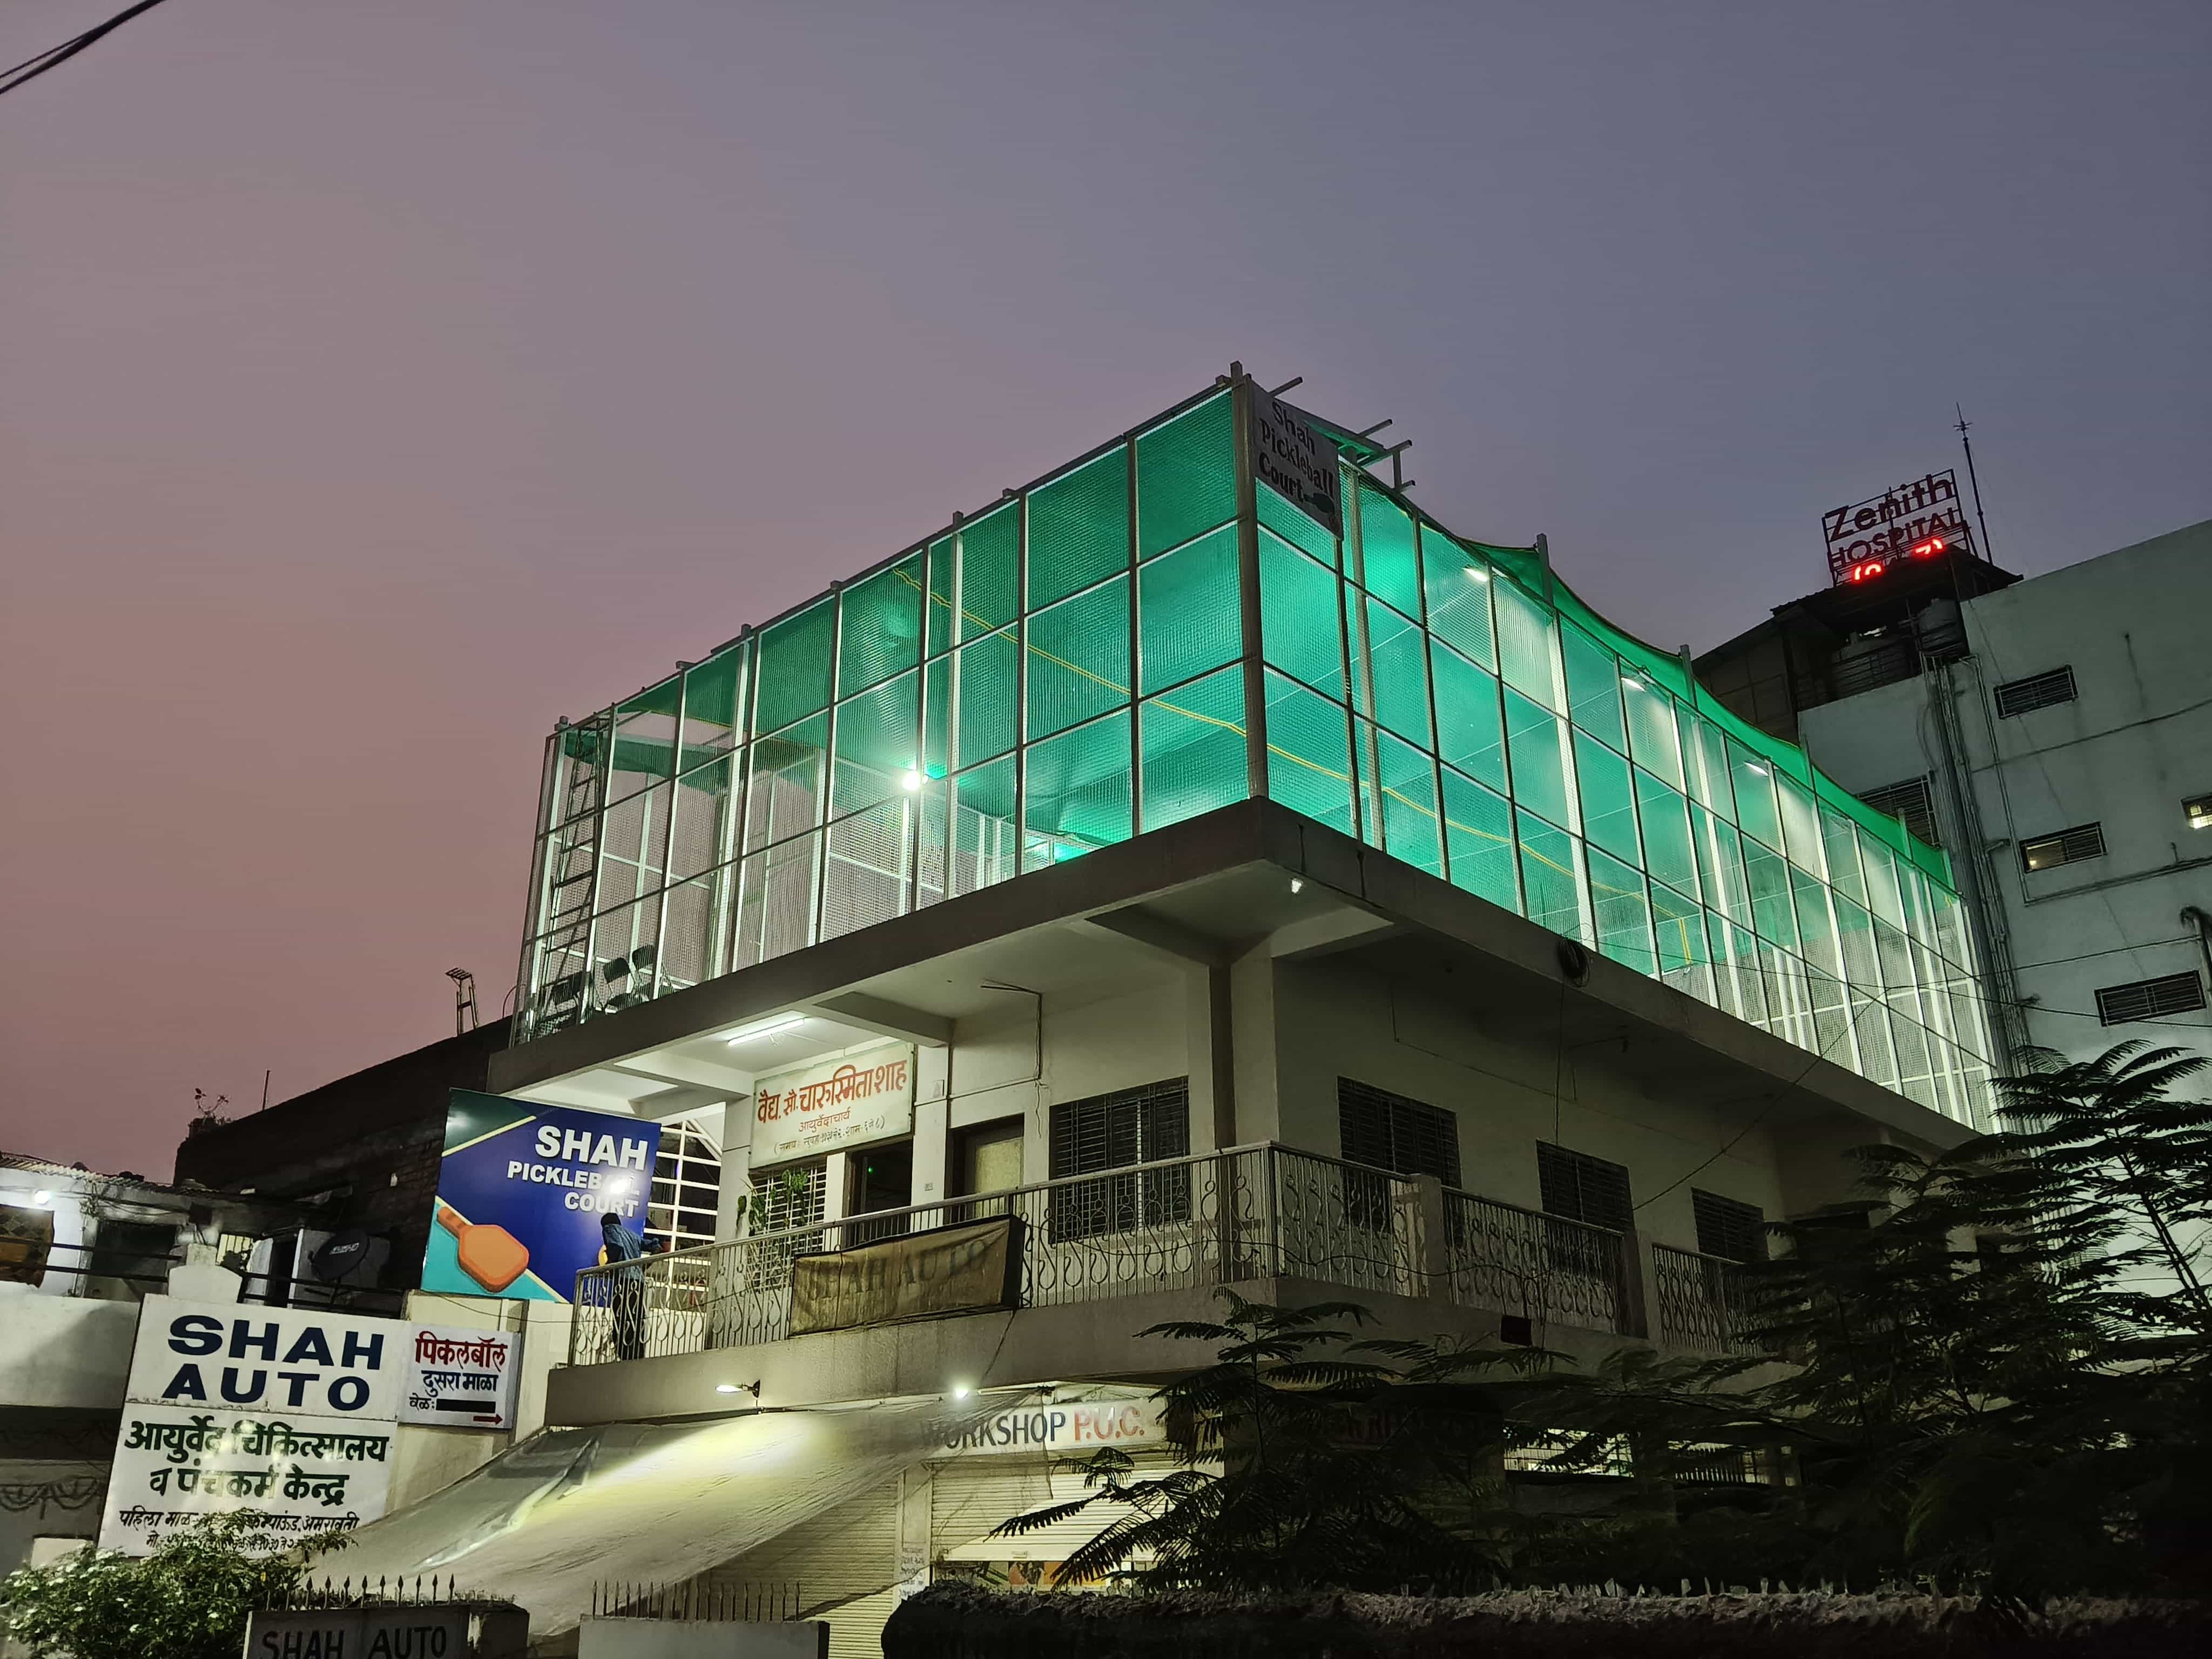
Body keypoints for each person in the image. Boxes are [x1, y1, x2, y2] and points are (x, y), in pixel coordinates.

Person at [599, 1209, 648, 1362]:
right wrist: (642, 1269)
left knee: (621, 1316)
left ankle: (623, 1352)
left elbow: (616, 1247)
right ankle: (636, 1355)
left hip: (624, 1281)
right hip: (638, 1282)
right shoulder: (632, 1235)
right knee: (636, 1317)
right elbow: (655, 1246)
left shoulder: (610, 1229)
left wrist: (608, 1266)